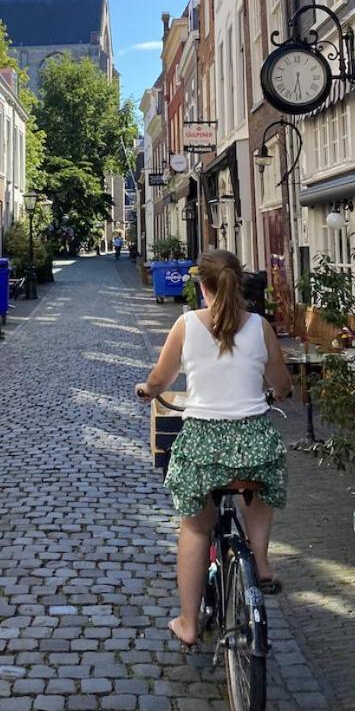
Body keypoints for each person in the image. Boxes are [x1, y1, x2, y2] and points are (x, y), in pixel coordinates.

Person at [135, 248, 292, 648]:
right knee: (259, 490)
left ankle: (188, 623)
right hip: (254, 440)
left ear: (202, 287)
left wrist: (148, 390)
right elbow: (283, 385)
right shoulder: (261, 327)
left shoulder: (186, 325)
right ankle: (260, 559)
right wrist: (274, 391)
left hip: (203, 446)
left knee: (194, 526)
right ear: (238, 283)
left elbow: (160, 377)